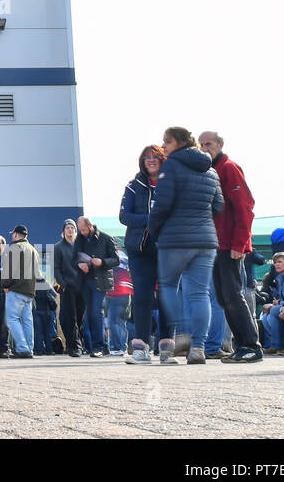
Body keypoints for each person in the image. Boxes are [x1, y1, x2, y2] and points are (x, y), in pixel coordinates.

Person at [147, 126, 223, 365]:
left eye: (167, 142)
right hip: (205, 240)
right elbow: (218, 207)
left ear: (179, 143)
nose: (164, 147)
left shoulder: (171, 165)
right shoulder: (211, 170)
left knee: (169, 286)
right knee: (200, 294)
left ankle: (182, 334)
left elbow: (162, 204)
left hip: (175, 240)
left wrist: (155, 229)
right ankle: (199, 347)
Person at [197, 131, 263, 364]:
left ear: (220, 144)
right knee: (225, 298)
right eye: (201, 144)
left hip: (229, 246)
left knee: (233, 295)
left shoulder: (229, 168)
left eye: (209, 143)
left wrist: (240, 244)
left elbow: (245, 207)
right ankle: (242, 345)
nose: (205, 148)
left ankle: (252, 346)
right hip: (216, 245)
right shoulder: (210, 171)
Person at [119, 144, 164, 362]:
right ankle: (141, 347)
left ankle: (167, 347)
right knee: (142, 297)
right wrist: (149, 220)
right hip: (139, 247)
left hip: (166, 247)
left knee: (167, 297)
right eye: (146, 157)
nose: (150, 160)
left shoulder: (169, 183)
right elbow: (124, 216)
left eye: (155, 156)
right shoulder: (133, 186)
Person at [75, 217, 119, 357]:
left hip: (100, 281)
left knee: (95, 312)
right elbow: (74, 257)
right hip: (85, 281)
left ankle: (99, 347)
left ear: (90, 226)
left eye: (83, 229)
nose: (82, 232)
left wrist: (102, 262)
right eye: (80, 230)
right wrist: (79, 264)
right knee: (90, 315)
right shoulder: (80, 239)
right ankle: (101, 346)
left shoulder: (106, 238)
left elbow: (116, 259)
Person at [3, 224, 41, 358]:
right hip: (30, 291)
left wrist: (5, 284)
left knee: (12, 318)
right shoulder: (34, 250)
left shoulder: (15, 247)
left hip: (16, 289)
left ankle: (22, 348)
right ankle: (29, 349)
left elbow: (8, 269)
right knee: (27, 320)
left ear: (15, 235)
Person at [52, 219, 85, 356]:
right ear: (64, 231)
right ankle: (74, 346)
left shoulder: (81, 246)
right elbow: (56, 269)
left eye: (72, 228)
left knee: (80, 318)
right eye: (67, 228)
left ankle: (79, 344)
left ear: (75, 231)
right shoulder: (58, 247)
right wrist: (63, 285)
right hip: (68, 288)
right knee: (69, 318)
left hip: (82, 287)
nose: (70, 230)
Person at [106, 259, 134, 355]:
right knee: (122, 322)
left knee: (113, 322)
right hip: (127, 293)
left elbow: (110, 278)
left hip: (117, 292)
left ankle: (116, 347)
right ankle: (123, 347)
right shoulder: (126, 259)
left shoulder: (114, 261)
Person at [33, 276, 59, 355]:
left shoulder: (33, 284)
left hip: (36, 310)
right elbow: (54, 294)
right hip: (47, 311)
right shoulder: (46, 284)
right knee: (47, 331)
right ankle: (49, 350)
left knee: (38, 331)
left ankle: (39, 350)